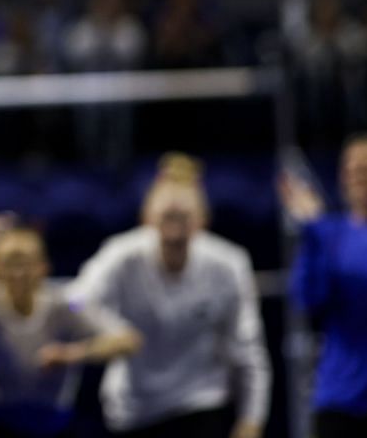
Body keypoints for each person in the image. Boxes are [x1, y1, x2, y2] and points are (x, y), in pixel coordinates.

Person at [72, 155, 270, 438]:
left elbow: (249, 347)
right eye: (167, 211)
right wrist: (110, 330)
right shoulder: (120, 255)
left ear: (203, 220)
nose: (175, 209)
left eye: (184, 211)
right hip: (134, 409)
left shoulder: (229, 264)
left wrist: (252, 420)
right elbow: (75, 301)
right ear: (147, 218)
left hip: (201, 401)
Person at [0, 225, 140, 438]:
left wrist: (73, 354)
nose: (18, 273)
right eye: (9, 263)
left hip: (53, 424)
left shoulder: (64, 303)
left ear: (43, 267)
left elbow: (128, 340)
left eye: (26, 264)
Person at [280, 131, 367, 435]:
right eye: (349, 169)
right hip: (342, 398)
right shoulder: (329, 233)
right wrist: (312, 233)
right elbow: (308, 299)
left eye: (366, 168)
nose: (355, 177)